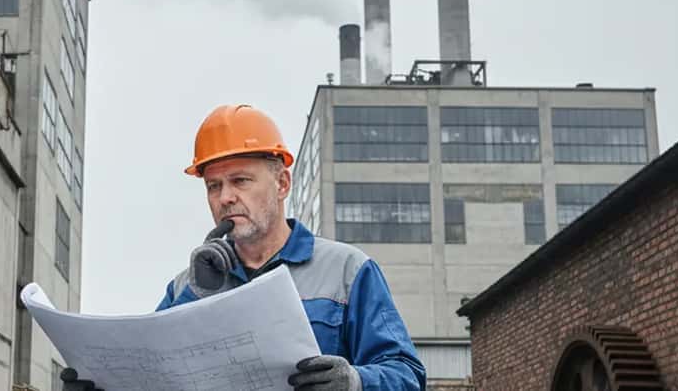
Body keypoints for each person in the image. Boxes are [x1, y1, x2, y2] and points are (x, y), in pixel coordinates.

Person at [61, 105, 425, 391]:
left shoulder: (347, 271)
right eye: (213, 186)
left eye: (240, 181)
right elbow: (153, 376)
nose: (225, 198)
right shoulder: (186, 286)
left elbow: (407, 375)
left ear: (282, 184)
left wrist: (357, 382)